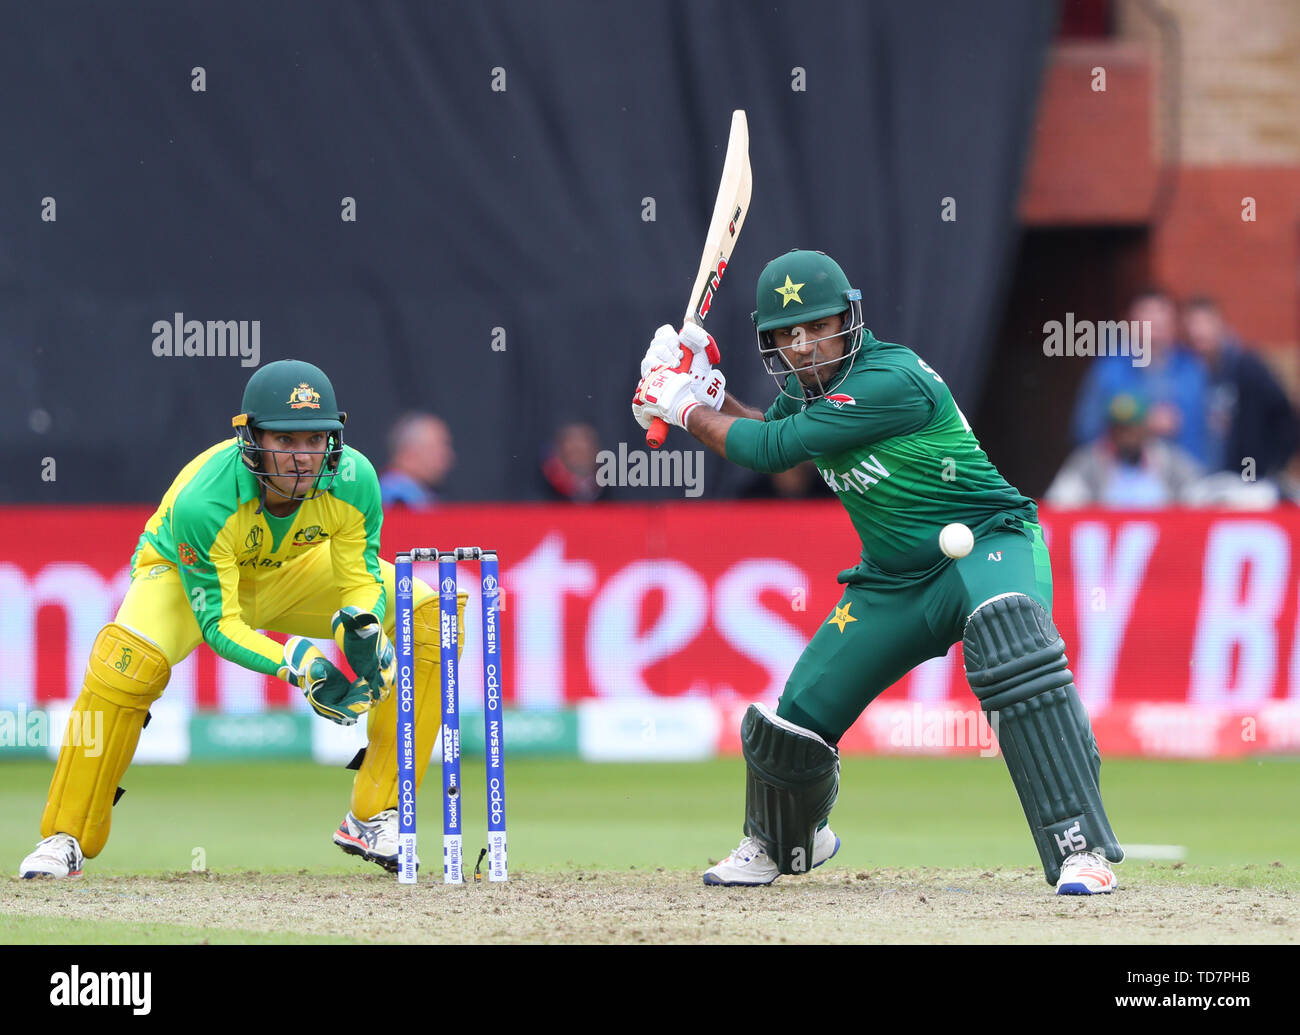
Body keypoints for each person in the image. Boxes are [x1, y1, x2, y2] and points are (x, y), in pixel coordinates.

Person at [633, 250, 1123, 895]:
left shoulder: (889, 379)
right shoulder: (807, 399)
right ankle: (786, 840)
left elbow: (771, 451)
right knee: (795, 718)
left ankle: (1077, 850)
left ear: (851, 319)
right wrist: (705, 396)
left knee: (1011, 641)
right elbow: (765, 430)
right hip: (893, 582)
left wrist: (679, 405)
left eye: (817, 326)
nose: (803, 346)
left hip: (987, 546)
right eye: (787, 334)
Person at [18, 360, 463, 878]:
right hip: (182, 577)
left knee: (431, 612)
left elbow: (358, 576)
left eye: (316, 440)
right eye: (286, 441)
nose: (302, 458)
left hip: (294, 571)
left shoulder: (353, 478)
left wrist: (361, 623)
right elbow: (221, 626)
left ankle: (374, 814)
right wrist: (298, 665)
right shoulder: (204, 501)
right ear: (250, 438)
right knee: (126, 663)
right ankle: (64, 835)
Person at [1071, 288, 1209, 463]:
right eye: (1147, 323)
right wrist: (1139, 421)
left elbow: (1209, 433)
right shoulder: (1109, 369)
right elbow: (1085, 428)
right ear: (1129, 323)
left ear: (1173, 326)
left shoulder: (1192, 368)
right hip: (1121, 476)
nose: (1154, 332)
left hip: (1183, 475)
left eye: (1161, 324)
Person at [1183, 296, 1300, 481]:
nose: (1199, 332)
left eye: (1205, 323)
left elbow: (1285, 417)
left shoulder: (1246, 367)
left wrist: (1268, 467)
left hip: (1249, 480)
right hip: (1212, 478)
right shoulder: (1195, 373)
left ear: (1220, 324)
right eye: (1193, 325)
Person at [1045, 392, 1203, 507]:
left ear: (1144, 427)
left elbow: (1198, 493)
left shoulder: (1169, 460)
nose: (1126, 435)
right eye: (1120, 428)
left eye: (1132, 427)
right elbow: (1059, 499)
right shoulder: (1090, 461)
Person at [379, 412, 455, 508]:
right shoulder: (396, 501)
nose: (447, 455)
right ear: (408, 451)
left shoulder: (419, 496)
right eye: (438, 447)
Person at [541, 421, 605, 502]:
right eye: (573, 451)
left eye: (582, 448)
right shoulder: (544, 493)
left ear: (596, 450)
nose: (578, 455)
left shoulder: (611, 490)